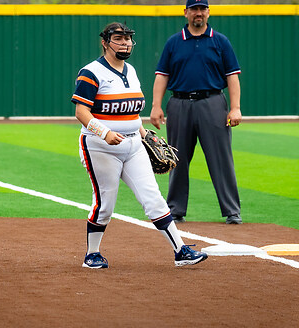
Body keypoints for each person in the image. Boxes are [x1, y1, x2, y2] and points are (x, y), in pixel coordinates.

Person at [71, 22, 208, 269]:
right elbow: (81, 112)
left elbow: (132, 111)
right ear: (105, 42)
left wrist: (145, 135)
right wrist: (104, 133)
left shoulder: (131, 71)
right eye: (118, 38)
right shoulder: (91, 72)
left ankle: (180, 251)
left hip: (134, 144)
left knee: (153, 198)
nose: (125, 43)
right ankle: (92, 254)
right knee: (105, 204)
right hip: (100, 146)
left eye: (127, 39)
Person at [150, 0, 242, 225]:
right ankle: (175, 209)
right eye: (194, 9)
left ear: (208, 12)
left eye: (202, 9)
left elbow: (232, 76)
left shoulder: (220, 41)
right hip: (179, 103)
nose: (198, 13)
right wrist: (156, 106)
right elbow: (162, 75)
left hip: (212, 102)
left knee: (221, 159)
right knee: (176, 158)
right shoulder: (174, 42)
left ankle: (232, 211)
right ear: (186, 13)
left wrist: (235, 108)